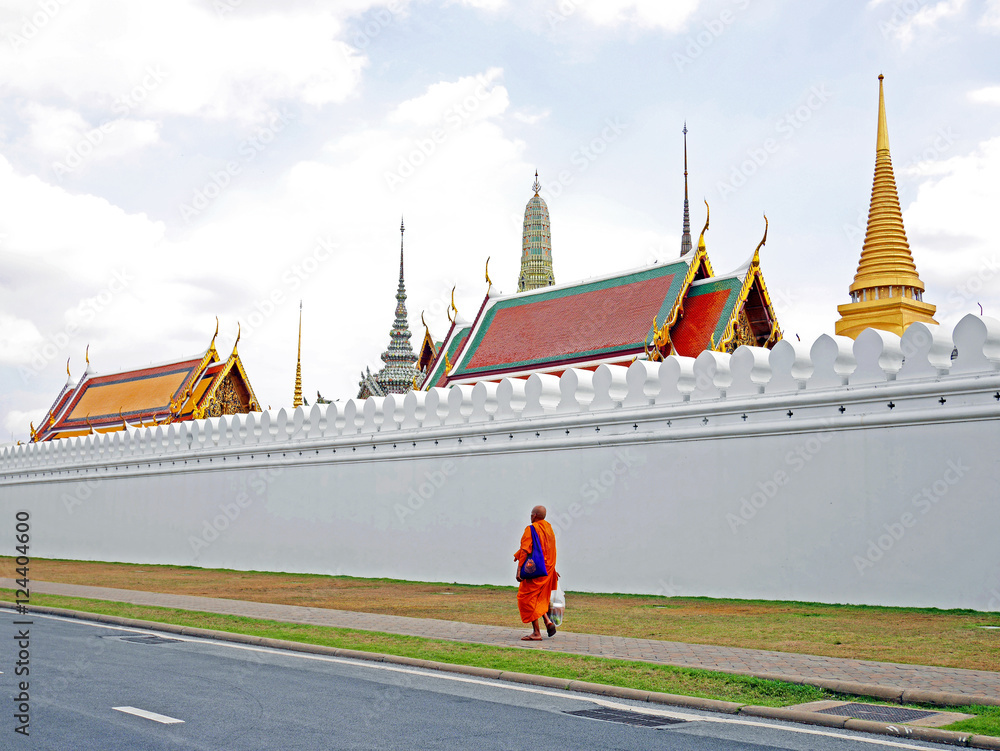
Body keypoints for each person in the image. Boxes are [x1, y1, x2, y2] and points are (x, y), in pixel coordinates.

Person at [514, 505, 559, 641]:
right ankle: (547, 621)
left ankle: (536, 633)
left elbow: (525, 550)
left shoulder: (531, 529)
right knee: (538, 598)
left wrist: (519, 569)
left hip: (535, 571)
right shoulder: (549, 529)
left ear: (534, 516)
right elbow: (550, 550)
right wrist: (553, 570)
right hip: (547, 571)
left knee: (527, 598)